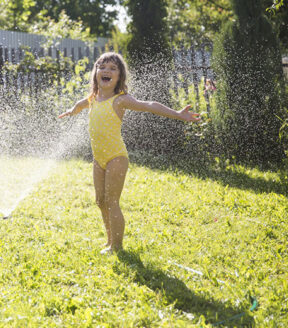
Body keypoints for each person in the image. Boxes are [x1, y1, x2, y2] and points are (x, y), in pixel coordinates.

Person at [58, 52, 200, 254]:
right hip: (98, 159)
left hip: (116, 157)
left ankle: (117, 246)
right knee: (100, 201)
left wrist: (177, 114)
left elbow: (148, 105)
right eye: (102, 67)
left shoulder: (120, 100)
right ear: (96, 73)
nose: (106, 71)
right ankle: (109, 241)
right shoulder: (93, 98)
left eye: (112, 69)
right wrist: (73, 110)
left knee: (112, 201)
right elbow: (81, 103)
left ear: (119, 77)